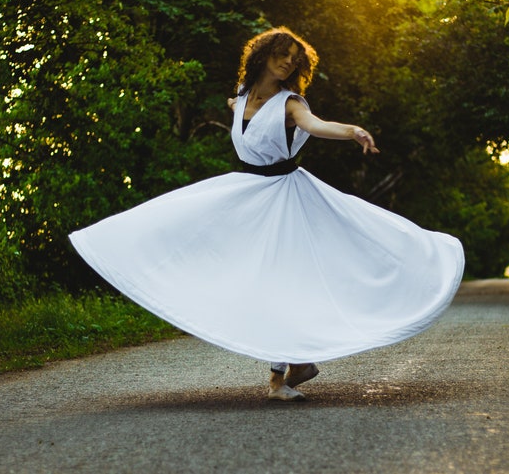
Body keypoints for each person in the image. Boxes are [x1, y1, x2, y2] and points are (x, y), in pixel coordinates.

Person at [69, 27, 464, 402]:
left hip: (286, 197)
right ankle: (297, 362)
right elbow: (242, 117)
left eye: (294, 60)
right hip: (246, 194)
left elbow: (316, 124)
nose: (288, 63)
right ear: (262, 56)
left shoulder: (290, 103)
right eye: (282, 55)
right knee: (179, 230)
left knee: (281, 277)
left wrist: (351, 132)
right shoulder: (238, 100)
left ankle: (282, 376)